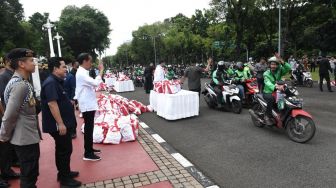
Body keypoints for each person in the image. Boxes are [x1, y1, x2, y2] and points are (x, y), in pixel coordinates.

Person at [0, 48, 42, 188]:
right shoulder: (20, 85)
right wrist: (4, 136)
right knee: (29, 175)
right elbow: (9, 115)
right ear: (21, 64)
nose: (34, 64)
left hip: (26, 136)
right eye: (31, 61)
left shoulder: (20, 82)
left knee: (30, 173)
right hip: (24, 138)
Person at [41, 57, 81, 187]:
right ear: (55, 68)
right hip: (58, 125)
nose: (66, 69)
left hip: (61, 123)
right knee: (64, 149)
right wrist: (61, 123)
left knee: (63, 149)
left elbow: (59, 100)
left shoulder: (56, 81)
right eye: (63, 67)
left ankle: (64, 172)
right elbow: (52, 104)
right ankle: (65, 179)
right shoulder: (51, 82)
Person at [75, 53, 104, 161]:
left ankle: (90, 149)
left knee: (89, 127)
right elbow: (96, 83)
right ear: (85, 61)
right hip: (87, 104)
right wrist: (101, 70)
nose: (91, 63)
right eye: (90, 61)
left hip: (88, 103)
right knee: (88, 128)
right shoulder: (81, 73)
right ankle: (88, 153)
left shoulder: (83, 72)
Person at [263, 54, 291, 125]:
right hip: (268, 92)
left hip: (279, 90)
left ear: (278, 65)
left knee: (288, 97)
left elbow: (288, 68)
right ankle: (267, 116)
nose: (273, 66)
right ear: (269, 65)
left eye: (275, 64)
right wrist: (275, 87)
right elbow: (267, 83)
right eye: (272, 64)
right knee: (271, 99)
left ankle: (282, 113)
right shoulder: (266, 73)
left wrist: (282, 61)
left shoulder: (280, 70)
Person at [64, 62, 78, 139]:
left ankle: (73, 131)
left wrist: (73, 99)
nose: (64, 69)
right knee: (66, 116)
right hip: (63, 100)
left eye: (64, 68)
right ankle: (68, 130)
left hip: (69, 99)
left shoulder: (70, 76)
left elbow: (74, 88)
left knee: (71, 116)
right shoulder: (61, 77)